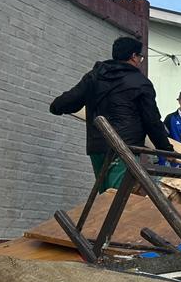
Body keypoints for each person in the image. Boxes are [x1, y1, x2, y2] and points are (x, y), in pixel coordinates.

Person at [49, 35, 172, 190]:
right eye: (140, 57)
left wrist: (56, 108)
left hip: (98, 146)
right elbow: (151, 120)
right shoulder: (140, 82)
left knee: (105, 195)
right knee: (116, 196)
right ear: (133, 56)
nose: (140, 61)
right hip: (125, 147)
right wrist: (165, 149)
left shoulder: (94, 77)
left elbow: (66, 102)